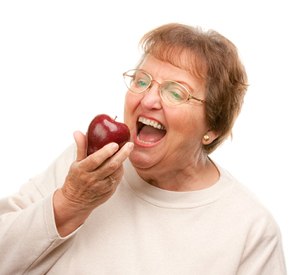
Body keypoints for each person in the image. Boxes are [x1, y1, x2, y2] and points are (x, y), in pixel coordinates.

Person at [0, 23, 286, 274]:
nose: (148, 99)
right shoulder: (86, 168)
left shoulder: (251, 230)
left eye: (175, 92)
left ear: (212, 128)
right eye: (141, 81)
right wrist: (71, 203)